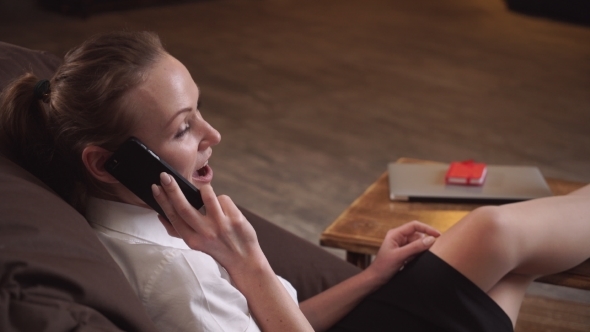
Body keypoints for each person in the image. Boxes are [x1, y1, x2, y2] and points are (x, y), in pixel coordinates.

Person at [0, 31, 588, 332]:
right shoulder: (174, 272)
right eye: (184, 128)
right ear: (107, 163)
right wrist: (249, 264)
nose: (214, 135)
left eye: (200, 111)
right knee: (493, 233)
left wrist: (373, 278)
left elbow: (273, 316)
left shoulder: (151, 219)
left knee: (504, 256)